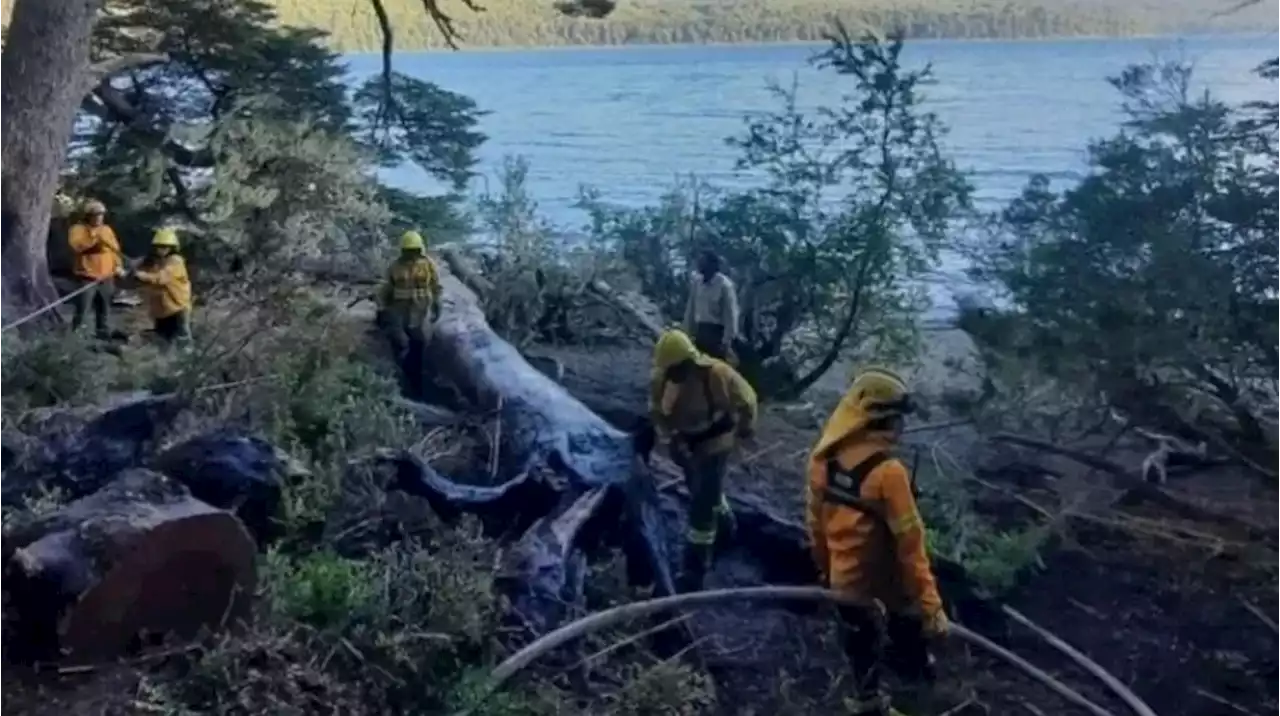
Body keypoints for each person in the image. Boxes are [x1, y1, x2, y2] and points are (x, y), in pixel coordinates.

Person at [805, 368, 949, 716]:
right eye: (900, 419)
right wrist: (931, 609)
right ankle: (913, 696)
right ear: (883, 419)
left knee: (861, 651)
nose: (902, 428)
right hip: (890, 586)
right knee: (908, 644)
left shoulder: (822, 460)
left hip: (845, 586)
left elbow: (816, 528)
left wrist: (826, 572)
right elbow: (912, 550)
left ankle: (868, 702)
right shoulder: (889, 473)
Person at [649, 328, 757, 592]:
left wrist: (745, 428)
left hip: (716, 442)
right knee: (700, 489)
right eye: (669, 370)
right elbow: (656, 412)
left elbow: (748, 400)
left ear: (690, 361)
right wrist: (671, 437)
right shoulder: (660, 381)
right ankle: (727, 524)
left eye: (678, 369)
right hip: (686, 443)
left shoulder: (717, 374)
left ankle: (696, 565)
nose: (673, 375)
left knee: (702, 503)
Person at [378, 230, 442, 399]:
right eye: (408, 250)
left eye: (414, 250)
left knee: (419, 345)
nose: (411, 254)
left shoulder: (428, 264)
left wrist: (437, 305)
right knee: (401, 343)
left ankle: (417, 384)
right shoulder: (395, 266)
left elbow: (436, 286)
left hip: (420, 311)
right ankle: (403, 379)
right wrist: (382, 308)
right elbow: (386, 288)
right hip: (399, 312)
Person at [67, 199, 124, 339]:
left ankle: (102, 335)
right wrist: (94, 241)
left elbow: (114, 250)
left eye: (101, 214)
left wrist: (118, 266)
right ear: (88, 216)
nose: (99, 217)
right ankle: (76, 337)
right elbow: (76, 246)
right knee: (82, 309)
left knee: (104, 309)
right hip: (87, 277)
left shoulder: (106, 230)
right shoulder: (78, 229)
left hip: (106, 277)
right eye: (96, 214)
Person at [132, 228, 193, 344]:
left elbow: (161, 278)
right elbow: (138, 278)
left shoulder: (175, 261)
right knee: (162, 340)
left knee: (182, 340)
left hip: (178, 307)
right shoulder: (154, 262)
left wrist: (143, 275)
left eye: (165, 247)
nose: (162, 250)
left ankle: (188, 360)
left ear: (172, 248)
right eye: (159, 246)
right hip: (161, 309)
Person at [682, 250, 739, 361]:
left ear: (712, 265)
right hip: (700, 332)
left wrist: (726, 342)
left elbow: (730, 316)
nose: (699, 264)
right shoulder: (697, 283)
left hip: (717, 335)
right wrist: (686, 333)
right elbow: (690, 310)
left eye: (703, 261)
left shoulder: (724, 285)